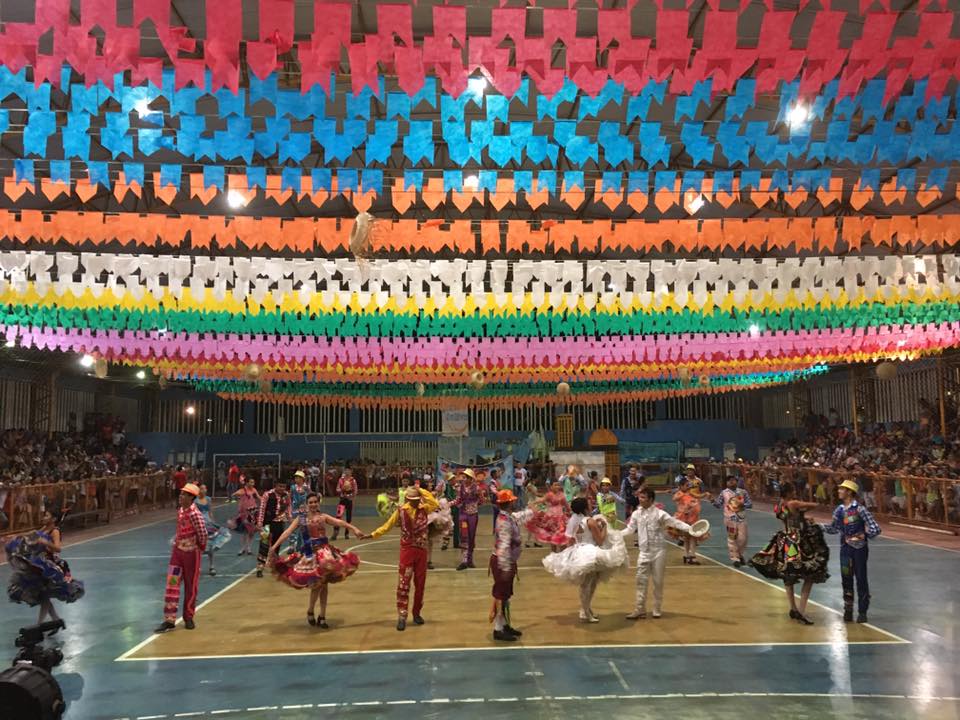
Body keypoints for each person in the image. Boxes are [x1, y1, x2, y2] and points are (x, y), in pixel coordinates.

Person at [268, 493, 363, 628]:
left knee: (324, 585)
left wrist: (354, 529)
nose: (313, 504)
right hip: (311, 554)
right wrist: (274, 546)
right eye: (310, 502)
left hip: (325, 554)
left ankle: (322, 615)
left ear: (319, 503)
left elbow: (340, 522)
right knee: (317, 585)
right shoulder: (302, 519)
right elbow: (287, 532)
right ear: (307, 504)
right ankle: (311, 610)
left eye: (315, 502)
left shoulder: (323, 517)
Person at [750, 480, 830, 625]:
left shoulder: (779, 505)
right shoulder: (793, 503)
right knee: (810, 573)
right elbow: (815, 505)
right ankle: (801, 610)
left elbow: (791, 518)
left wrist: (803, 516)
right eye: (792, 490)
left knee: (788, 574)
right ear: (788, 492)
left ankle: (793, 608)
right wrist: (806, 506)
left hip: (784, 539)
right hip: (797, 540)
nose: (795, 492)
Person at [542, 497, 628, 623]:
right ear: (585, 508)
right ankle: (586, 612)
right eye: (589, 504)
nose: (591, 505)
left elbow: (572, 538)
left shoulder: (578, 521)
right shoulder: (590, 521)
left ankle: (586, 609)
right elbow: (600, 540)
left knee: (589, 583)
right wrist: (604, 526)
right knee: (588, 584)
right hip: (590, 552)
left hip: (580, 550)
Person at [370, 486, 440, 631]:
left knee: (420, 584)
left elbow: (434, 503)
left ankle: (416, 613)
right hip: (407, 551)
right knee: (403, 584)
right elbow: (387, 526)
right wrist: (373, 535)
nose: (416, 502)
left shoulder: (425, 508)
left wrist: (420, 490)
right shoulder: (401, 511)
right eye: (413, 499)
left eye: (418, 499)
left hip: (421, 552)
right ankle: (402, 615)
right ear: (407, 499)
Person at [620, 488, 695, 620]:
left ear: (650, 499)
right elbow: (630, 529)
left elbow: (675, 522)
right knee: (640, 581)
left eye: (643, 497)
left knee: (658, 581)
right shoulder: (636, 514)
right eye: (640, 497)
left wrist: (692, 529)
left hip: (659, 551)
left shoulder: (660, 514)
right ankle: (640, 609)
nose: (640, 499)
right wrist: (615, 535)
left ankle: (657, 608)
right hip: (644, 552)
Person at [5, 510, 85, 626]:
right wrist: (17, 535)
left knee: (45, 594)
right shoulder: (44, 528)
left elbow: (58, 548)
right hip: (38, 564)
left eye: (47, 515)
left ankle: (40, 624)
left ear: (53, 519)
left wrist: (44, 542)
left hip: (48, 566)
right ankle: (55, 619)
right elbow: (32, 535)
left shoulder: (55, 531)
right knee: (43, 594)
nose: (44, 517)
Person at [822, 479, 881, 623]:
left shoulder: (860, 509)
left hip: (860, 550)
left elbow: (875, 528)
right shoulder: (839, 510)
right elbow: (834, 528)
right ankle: (848, 609)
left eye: (842, 489)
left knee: (861, 578)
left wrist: (864, 535)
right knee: (846, 578)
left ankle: (862, 611)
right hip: (845, 550)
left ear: (849, 492)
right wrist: (818, 526)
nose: (839, 491)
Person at [155, 483, 207, 633]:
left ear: (191, 497)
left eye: (184, 494)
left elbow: (203, 534)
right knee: (172, 583)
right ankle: (169, 619)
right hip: (178, 553)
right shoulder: (181, 511)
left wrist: (198, 548)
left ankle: (188, 617)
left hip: (191, 554)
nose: (180, 496)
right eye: (181, 493)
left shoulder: (195, 514)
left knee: (191, 586)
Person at [490, 489, 533, 641]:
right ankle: (498, 629)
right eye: (513, 501)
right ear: (509, 503)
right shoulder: (504, 522)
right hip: (503, 562)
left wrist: (534, 509)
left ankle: (504, 624)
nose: (515, 502)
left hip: (508, 561)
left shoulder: (508, 517)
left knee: (505, 595)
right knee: (501, 595)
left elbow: (521, 516)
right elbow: (503, 546)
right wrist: (506, 567)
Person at [713, 476, 752, 567]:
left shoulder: (743, 492)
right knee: (732, 539)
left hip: (741, 518)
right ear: (726, 483)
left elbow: (750, 504)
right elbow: (718, 504)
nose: (731, 482)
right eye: (729, 481)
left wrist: (741, 505)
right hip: (729, 519)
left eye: (733, 480)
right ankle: (735, 558)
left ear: (736, 482)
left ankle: (740, 554)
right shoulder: (724, 493)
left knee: (743, 539)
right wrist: (711, 500)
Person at [671, 477, 711, 564]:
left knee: (693, 537)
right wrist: (682, 494)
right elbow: (674, 498)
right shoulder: (679, 493)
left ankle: (690, 555)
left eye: (688, 485)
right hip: (684, 518)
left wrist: (705, 494)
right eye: (686, 485)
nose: (688, 487)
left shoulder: (690, 493)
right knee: (687, 537)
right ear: (681, 486)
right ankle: (688, 555)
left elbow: (698, 496)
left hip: (693, 517)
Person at [451, 469, 485, 571]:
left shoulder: (477, 488)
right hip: (463, 514)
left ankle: (470, 559)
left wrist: (474, 505)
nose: (464, 479)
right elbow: (458, 499)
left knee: (471, 536)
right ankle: (464, 560)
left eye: (466, 477)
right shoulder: (460, 488)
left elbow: (482, 500)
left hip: (473, 515)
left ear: (471, 478)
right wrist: (449, 504)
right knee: (464, 535)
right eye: (464, 477)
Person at [256, 479, 290, 578]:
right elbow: (262, 509)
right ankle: (260, 568)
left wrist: (289, 518)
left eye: (283, 487)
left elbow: (288, 507)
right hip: (267, 524)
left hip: (280, 523)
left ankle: (274, 566)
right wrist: (260, 523)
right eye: (280, 486)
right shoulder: (267, 495)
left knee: (277, 545)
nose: (282, 488)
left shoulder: (286, 495)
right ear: (275, 486)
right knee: (264, 545)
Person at [194, 484, 231, 576]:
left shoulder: (208, 499)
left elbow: (210, 512)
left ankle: (211, 566)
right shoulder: (195, 501)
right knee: (199, 547)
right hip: (200, 523)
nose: (203, 490)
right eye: (201, 489)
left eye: (204, 488)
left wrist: (213, 523)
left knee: (211, 546)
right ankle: (197, 566)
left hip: (209, 524)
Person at [525, 480, 571, 550]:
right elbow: (541, 500)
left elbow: (566, 505)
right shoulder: (549, 494)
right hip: (550, 518)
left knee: (561, 535)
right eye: (555, 485)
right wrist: (532, 503)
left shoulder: (561, 494)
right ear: (551, 486)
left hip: (560, 517)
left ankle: (562, 552)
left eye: (558, 485)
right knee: (552, 536)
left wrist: (570, 511)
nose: (557, 487)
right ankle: (553, 553)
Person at [425, 477, 453, 570]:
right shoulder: (426, 496)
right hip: (424, 521)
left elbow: (444, 512)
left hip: (431, 522)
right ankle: (423, 560)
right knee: (424, 541)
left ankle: (428, 561)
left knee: (429, 541)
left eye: (432, 485)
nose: (432, 486)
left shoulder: (441, 499)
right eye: (430, 485)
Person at [230, 476, 260, 556]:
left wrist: (265, 500)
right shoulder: (242, 490)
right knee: (245, 531)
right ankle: (243, 548)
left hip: (253, 512)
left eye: (253, 482)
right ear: (247, 483)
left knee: (252, 531)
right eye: (251, 482)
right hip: (244, 513)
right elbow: (233, 494)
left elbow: (259, 497)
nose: (253, 484)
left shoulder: (254, 490)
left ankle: (249, 547)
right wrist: (237, 496)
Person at [331, 469, 358, 540]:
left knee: (348, 518)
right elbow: (337, 489)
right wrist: (342, 490)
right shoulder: (341, 480)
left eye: (349, 471)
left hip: (349, 501)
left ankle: (347, 533)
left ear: (351, 473)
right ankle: (335, 532)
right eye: (346, 471)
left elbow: (355, 491)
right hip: (342, 500)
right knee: (338, 516)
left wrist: (349, 495)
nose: (347, 473)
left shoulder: (353, 481)